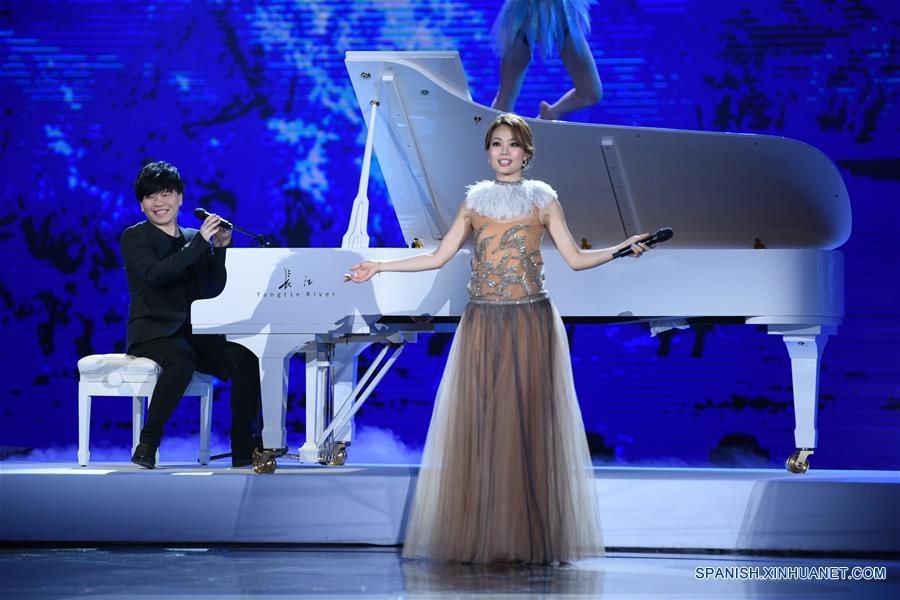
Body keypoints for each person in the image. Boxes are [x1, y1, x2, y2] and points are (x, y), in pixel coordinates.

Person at [346, 114, 651, 564]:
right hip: (483, 323)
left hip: (530, 323)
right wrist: (379, 266)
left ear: (527, 152)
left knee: (527, 427)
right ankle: (487, 535)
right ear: (488, 152)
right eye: (496, 144)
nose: (504, 152)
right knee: (486, 427)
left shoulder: (543, 198)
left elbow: (576, 259)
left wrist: (623, 247)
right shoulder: (475, 201)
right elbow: (437, 257)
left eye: (512, 144)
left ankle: (528, 538)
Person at [121, 161, 262, 469]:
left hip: (196, 333)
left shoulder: (189, 237)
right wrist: (201, 242)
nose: (159, 202)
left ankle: (244, 447)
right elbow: (157, 274)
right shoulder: (135, 237)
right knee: (181, 360)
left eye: (166, 194)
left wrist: (222, 249)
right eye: (150, 196)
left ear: (180, 198)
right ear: (141, 203)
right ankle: (148, 442)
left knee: (246, 359)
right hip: (154, 333)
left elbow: (213, 287)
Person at [490, 0, 604, 121]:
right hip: (524, 13)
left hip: (562, 11)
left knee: (591, 92)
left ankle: (550, 113)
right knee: (505, 96)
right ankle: (491, 135)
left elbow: (590, 94)